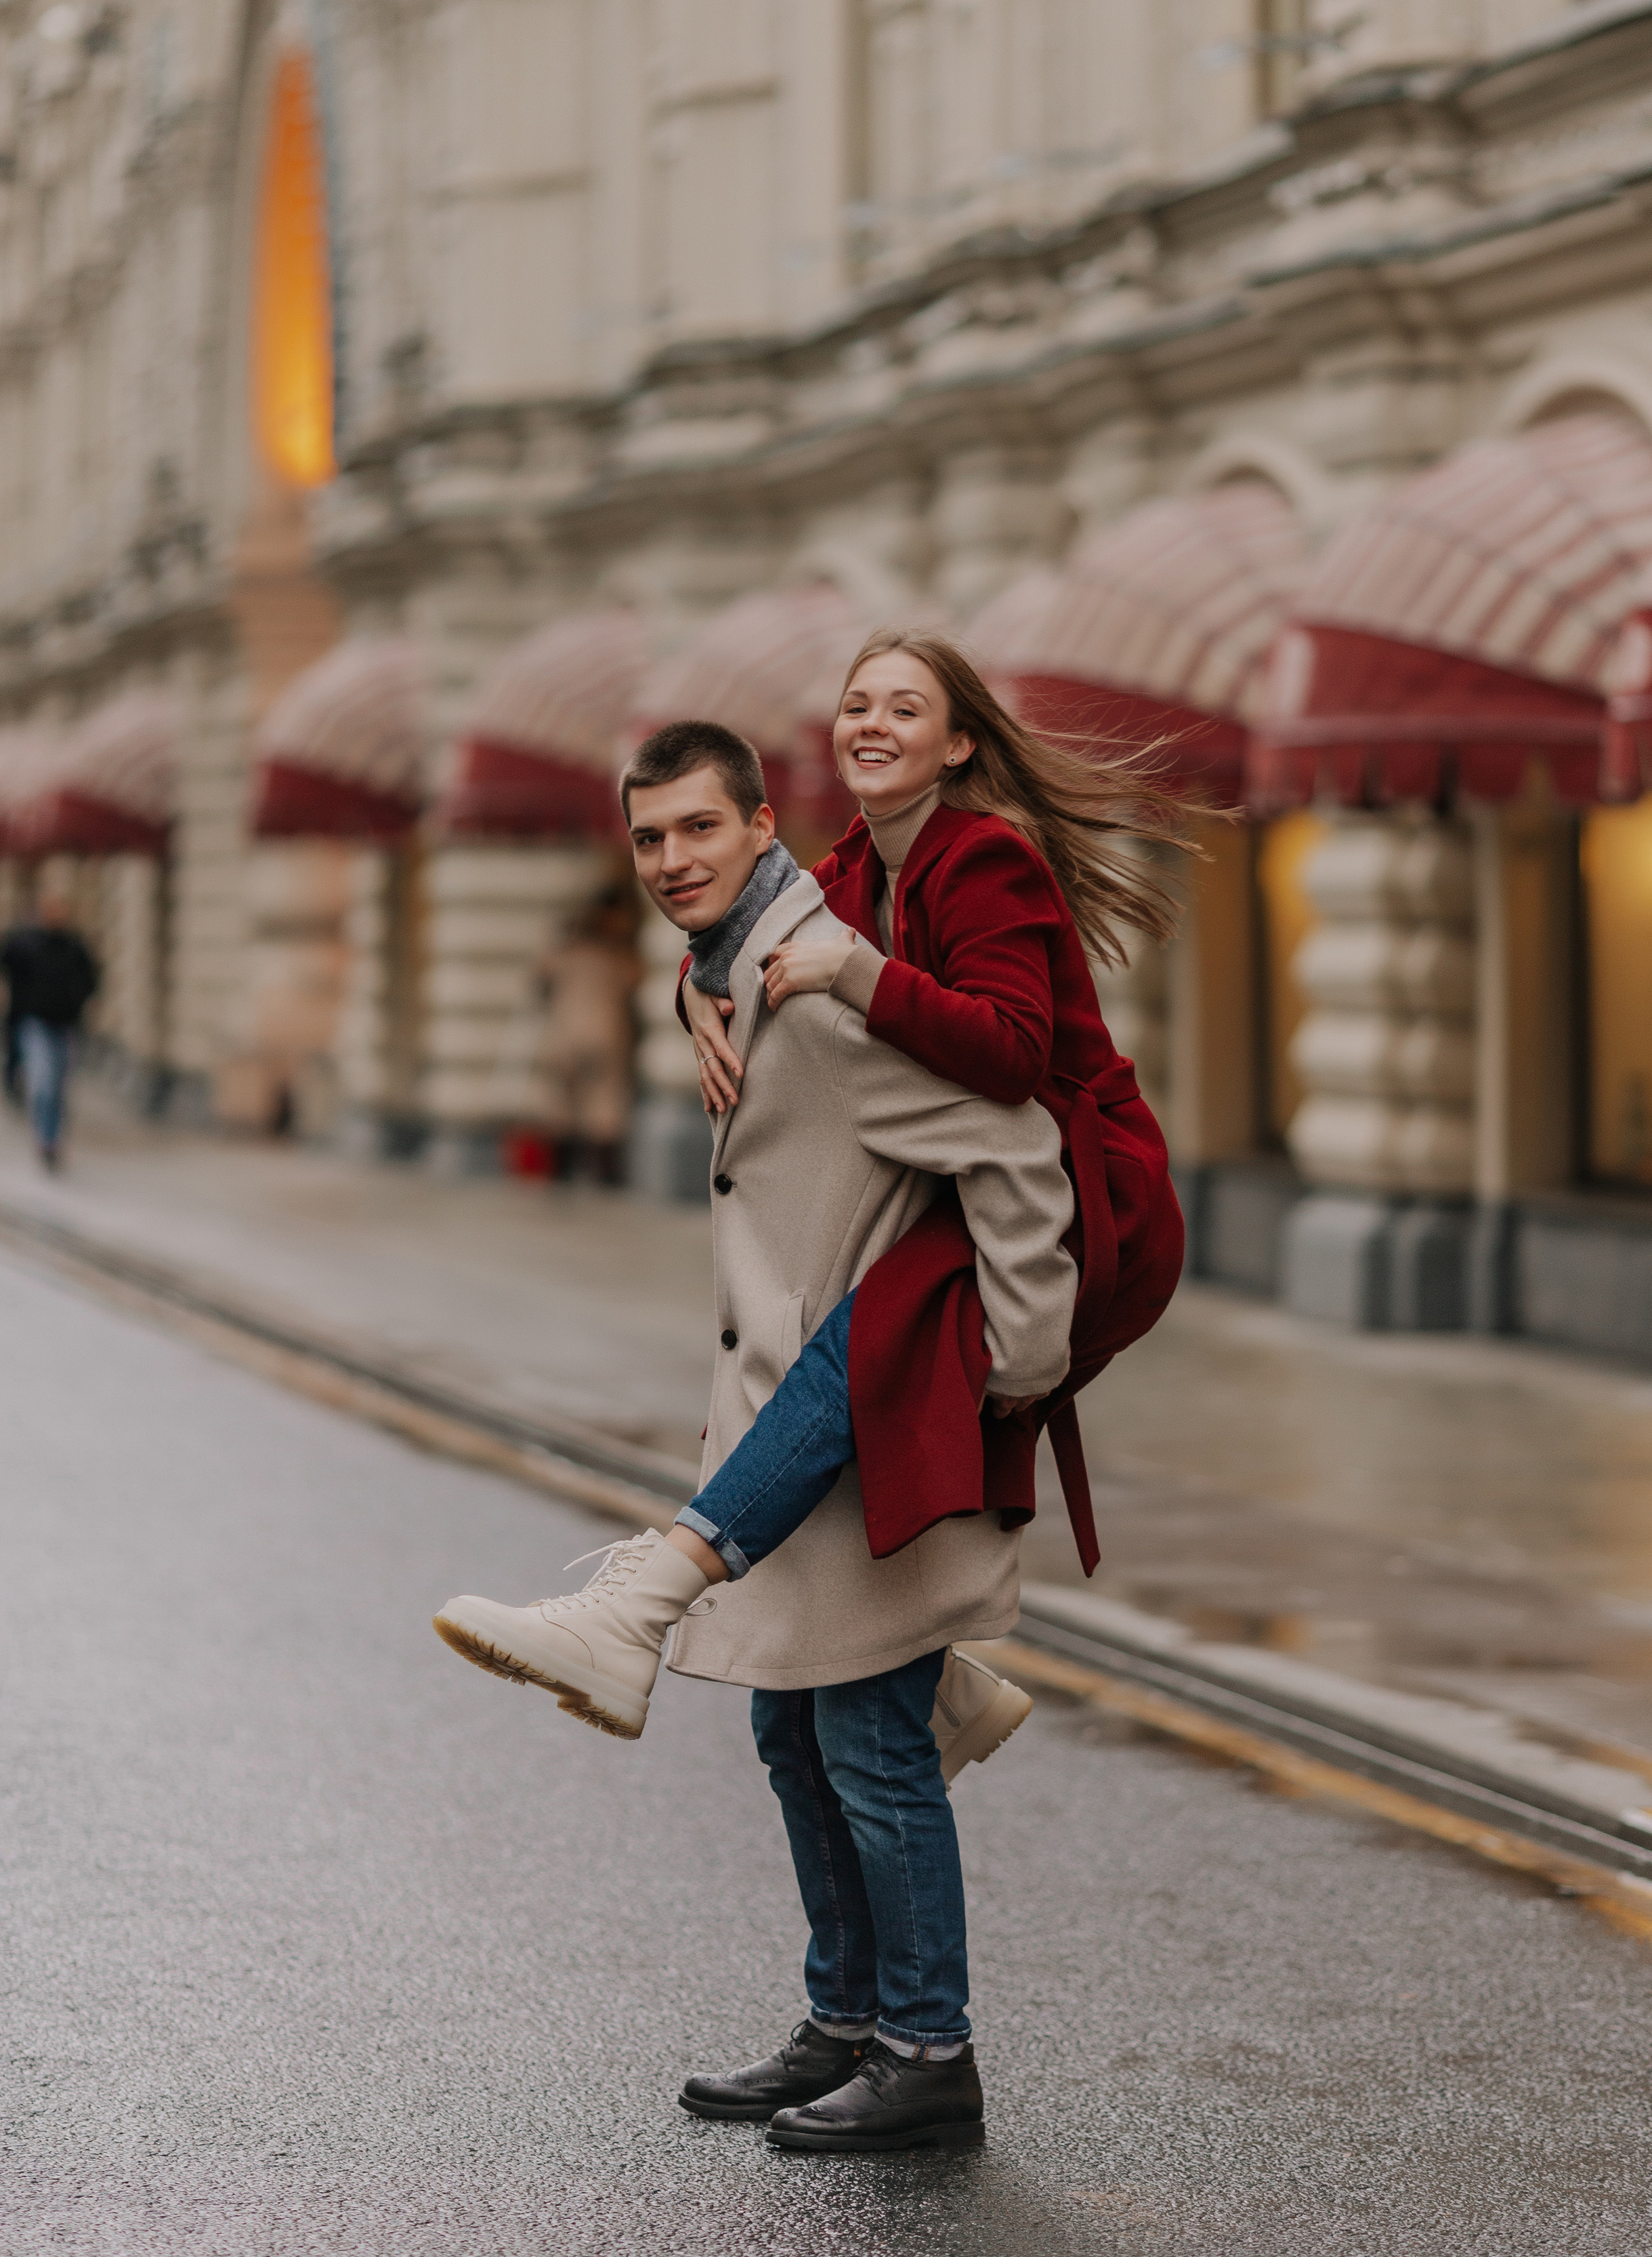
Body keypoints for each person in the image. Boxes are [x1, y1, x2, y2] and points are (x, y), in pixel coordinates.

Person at [436, 721, 1080, 2151]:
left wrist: (1019, 1365)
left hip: (879, 1421)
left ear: (759, 825)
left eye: (697, 833)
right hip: (803, 1426)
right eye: (649, 838)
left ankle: (927, 2050)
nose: (671, 862)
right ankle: (844, 2024)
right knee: (795, 1735)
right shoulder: (738, 968)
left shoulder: (827, 988)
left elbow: (1016, 1143)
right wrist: (687, 987)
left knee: (864, 1742)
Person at [683, 629, 1189, 1580]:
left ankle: (668, 1583)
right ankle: (935, 1680)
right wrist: (692, 997)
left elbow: (1010, 1054)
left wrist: (858, 973)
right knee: (883, 1410)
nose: (871, 724)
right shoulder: (863, 861)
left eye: (904, 710)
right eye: (858, 705)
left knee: (868, 1348)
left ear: (956, 748)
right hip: (973, 1178)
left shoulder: (985, 860)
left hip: (1086, 1197)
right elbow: (746, 934)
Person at [535, 881, 641, 1185]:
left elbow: (540, 982)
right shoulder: (615, 955)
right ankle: (605, 1175)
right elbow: (635, 984)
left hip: (564, 1036)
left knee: (563, 1105)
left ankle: (562, 1172)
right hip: (605, 1036)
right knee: (605, 1104)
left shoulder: (565, 952)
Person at [0, 893, 101, 1171]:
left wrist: (80, 999)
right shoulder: (25, 943)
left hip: (66, 1025)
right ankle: (45, 1138)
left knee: (58, 1087)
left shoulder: (74, 946)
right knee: (43, 1083)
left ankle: (54, 1139)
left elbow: (93, 979)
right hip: (35, 1023)